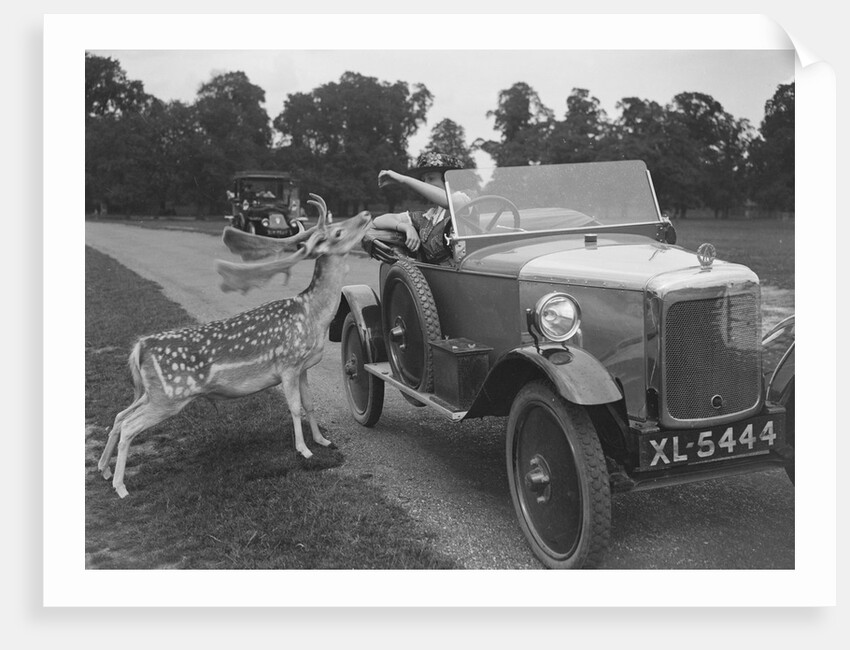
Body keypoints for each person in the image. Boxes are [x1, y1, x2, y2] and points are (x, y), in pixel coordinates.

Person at [371, 152, 471, 264]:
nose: (426, 183)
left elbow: (449, 202)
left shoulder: (465, 201)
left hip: (468, 270)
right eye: (424, 180)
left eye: (431, 178)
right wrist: (406, 227)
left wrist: (404, 179)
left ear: (448, 180)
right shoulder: (428, 216)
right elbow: (378, 221)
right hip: (433, 273)